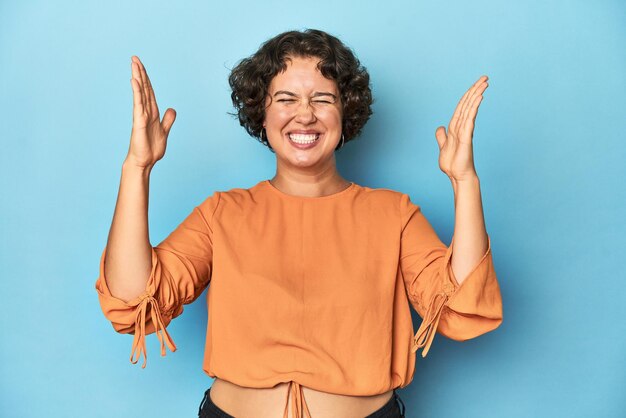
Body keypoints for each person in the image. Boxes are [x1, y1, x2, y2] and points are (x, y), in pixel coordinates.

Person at [94, 29, 503, 418]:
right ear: (262, 111)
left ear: (346, 110)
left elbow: (461, 307)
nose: (304, 115)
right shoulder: (222, 213)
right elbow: (132, 301)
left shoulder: (393, 214)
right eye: (286, 99)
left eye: (322, 98)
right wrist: (138, 167)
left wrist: (465, 182)